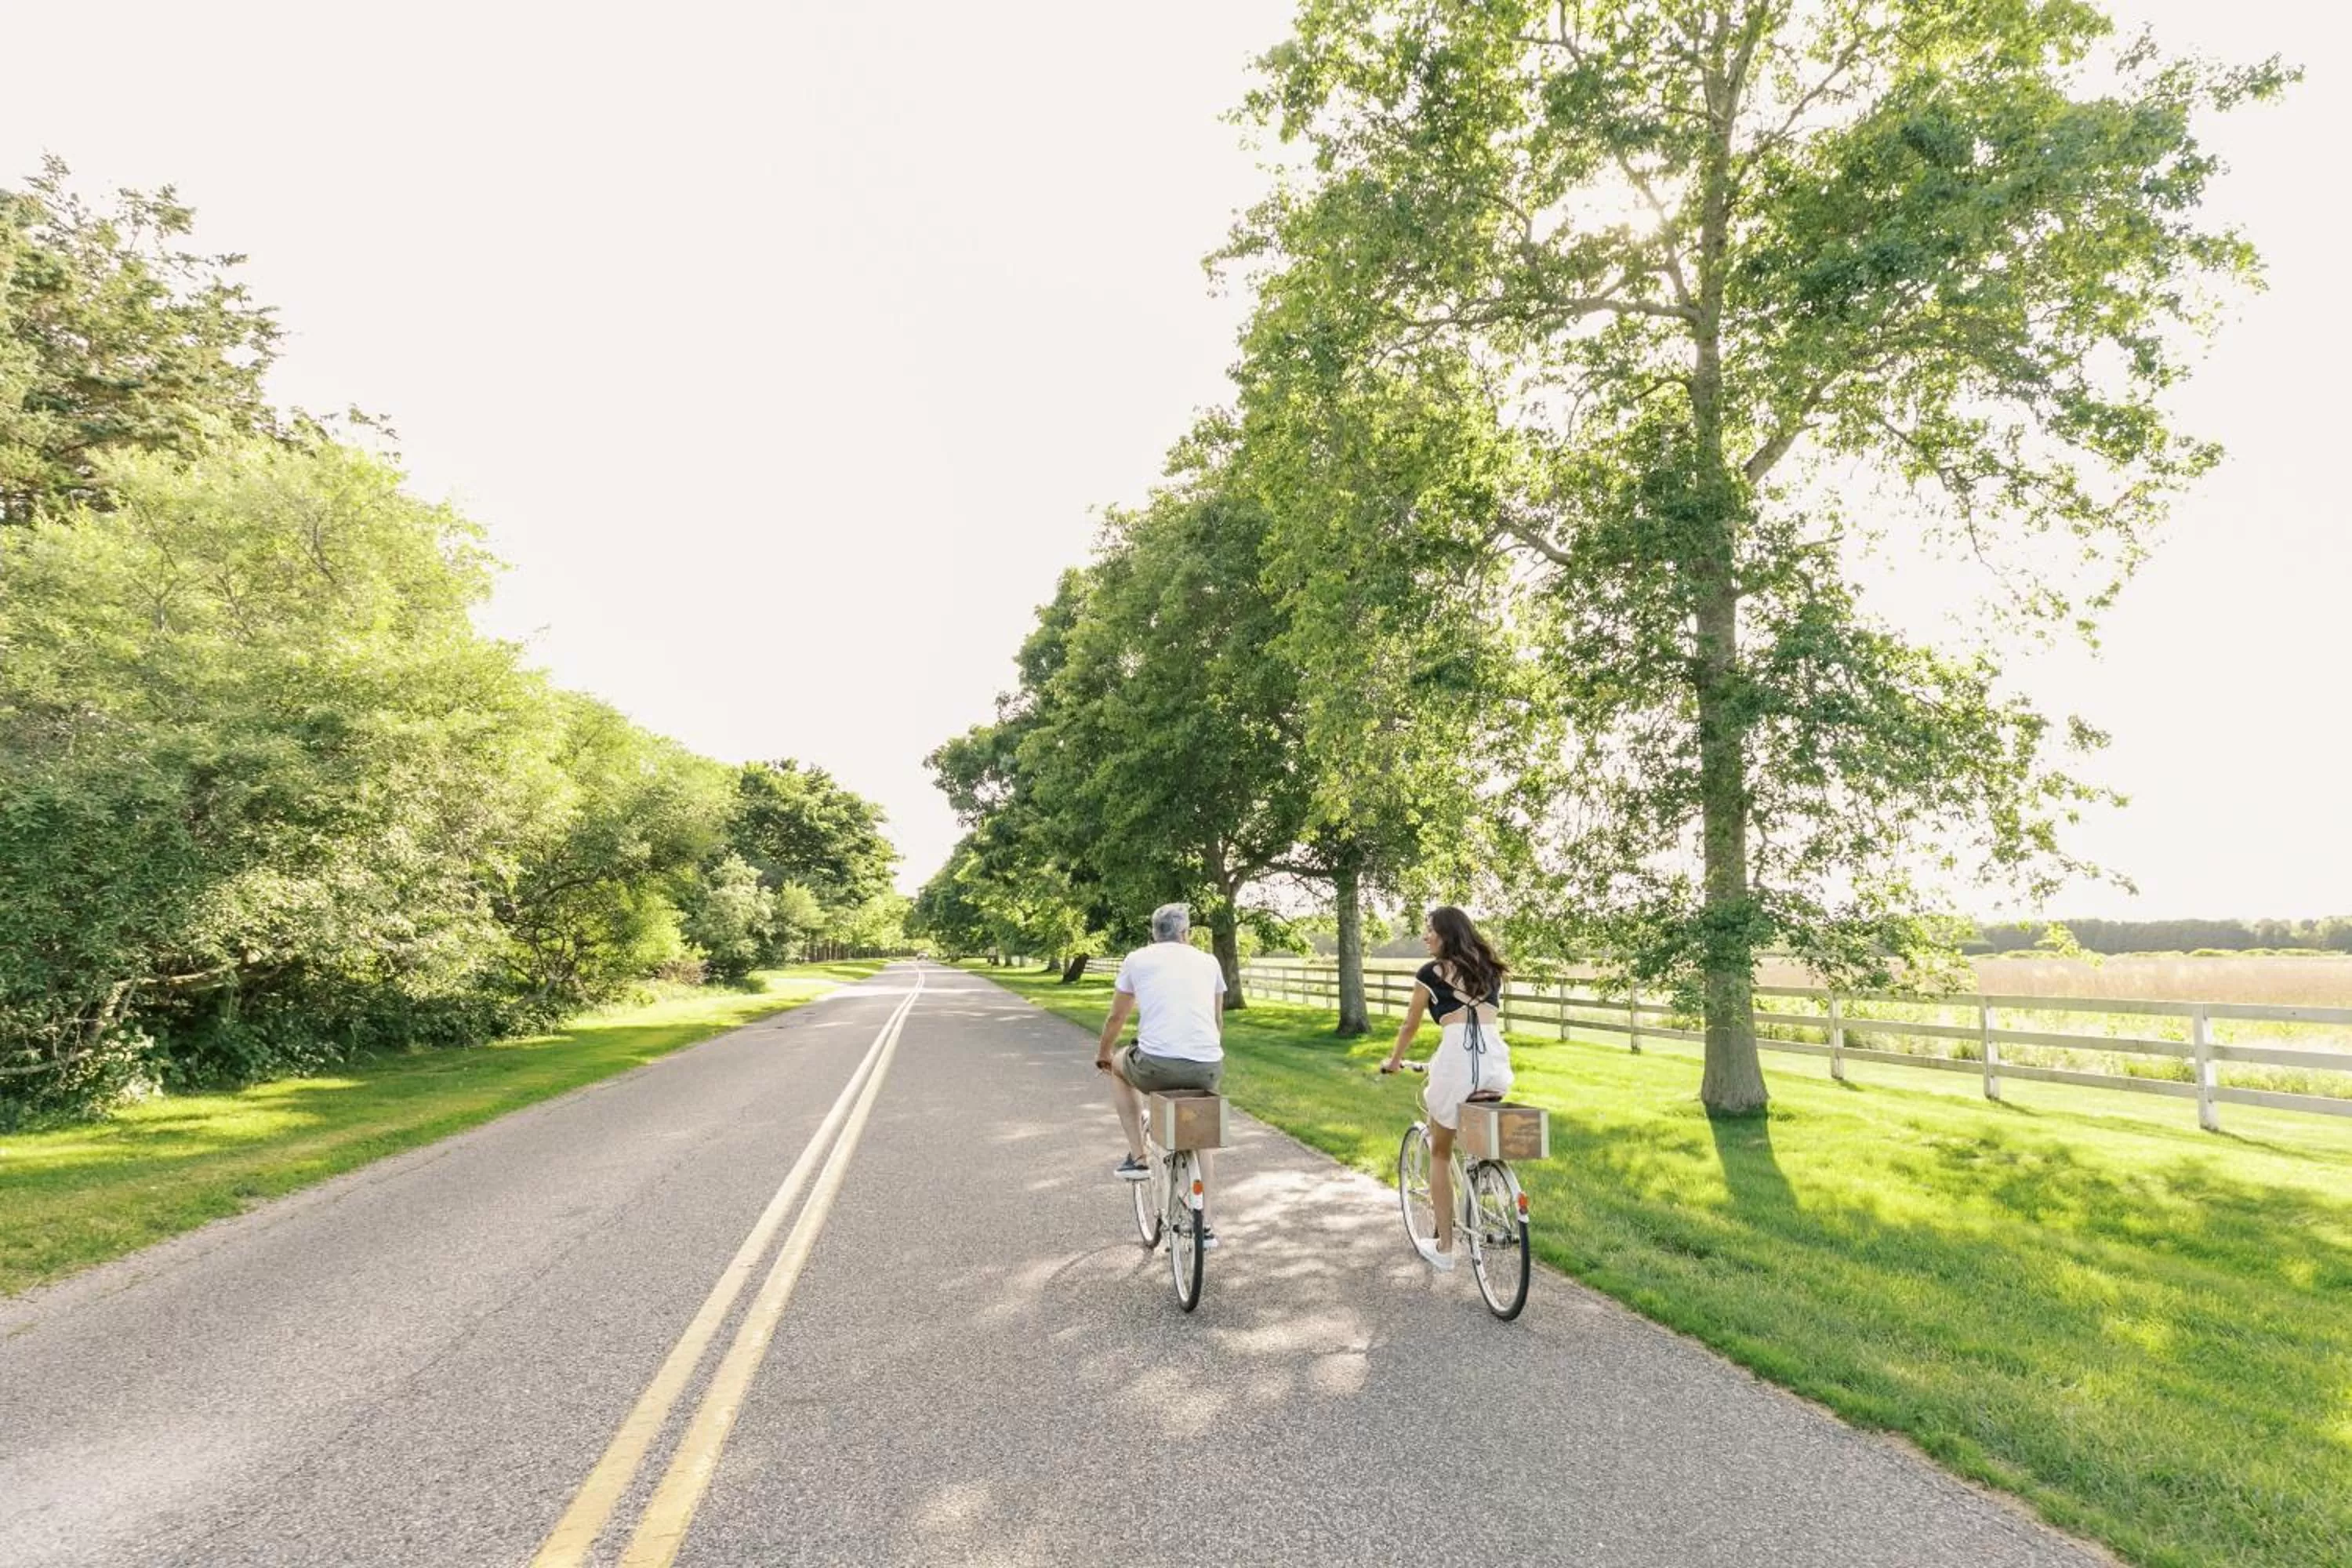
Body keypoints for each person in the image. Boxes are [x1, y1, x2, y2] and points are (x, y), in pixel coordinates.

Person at [1379, 906, 1512, 1272]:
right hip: (1495, 1062)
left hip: (1455, 1062)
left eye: (1430, 930)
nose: (1425, 937)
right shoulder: (1489, 971)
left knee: (1440, 1153)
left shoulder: (1431, 973)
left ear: (1446, 934)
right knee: (1479, 1135)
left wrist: (1394, 1061)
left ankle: (1445, 1247)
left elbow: (1410, 1026)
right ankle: (1491, 1186)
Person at [1094, 902, 1226, 1247]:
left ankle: (1138, 1157)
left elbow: (1117, 1018)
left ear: (1153, 933)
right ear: (1187, 933)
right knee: (1201, 1141)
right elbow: (1217, 1021)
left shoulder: (1137, 959)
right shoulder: (1209, 961)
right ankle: (1206, 1227)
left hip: (1155, 1065)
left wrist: (1104, 1054)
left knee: (1119, 1069)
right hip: (1207, 1065)